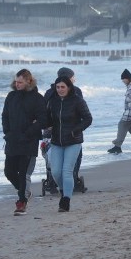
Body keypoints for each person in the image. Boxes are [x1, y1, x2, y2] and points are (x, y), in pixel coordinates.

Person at [2, 69, 47, 216]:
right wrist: (7, 132)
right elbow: (5, 115)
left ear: (29, 81)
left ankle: (22, 202)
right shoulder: (11, 96)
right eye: (16, 81)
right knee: (9, 171)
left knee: (23, 173)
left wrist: (29, 132)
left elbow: (42, 119)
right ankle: (24, 191)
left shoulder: (37, 98)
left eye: (20, 82)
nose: (17, 84)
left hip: (29, 141)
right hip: (12, 140)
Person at [47, 76, 92, 212]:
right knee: (55, 172)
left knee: (67, 171)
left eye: (63, 87)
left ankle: (66, 200)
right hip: (56, 141)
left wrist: (76, 130)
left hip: (73, 141)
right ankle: (63, 190)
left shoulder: (77, 101)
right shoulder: (52, 102)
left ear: (69, 87)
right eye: (58, 87)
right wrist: (45, 126)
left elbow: (88, 119)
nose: (60, 90)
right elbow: (48, 119)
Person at [108, 69, 131, 154]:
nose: (122, 81)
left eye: (123, 79)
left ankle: (117, 146)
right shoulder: (130, 85)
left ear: (127, 78)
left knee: (122, 124)